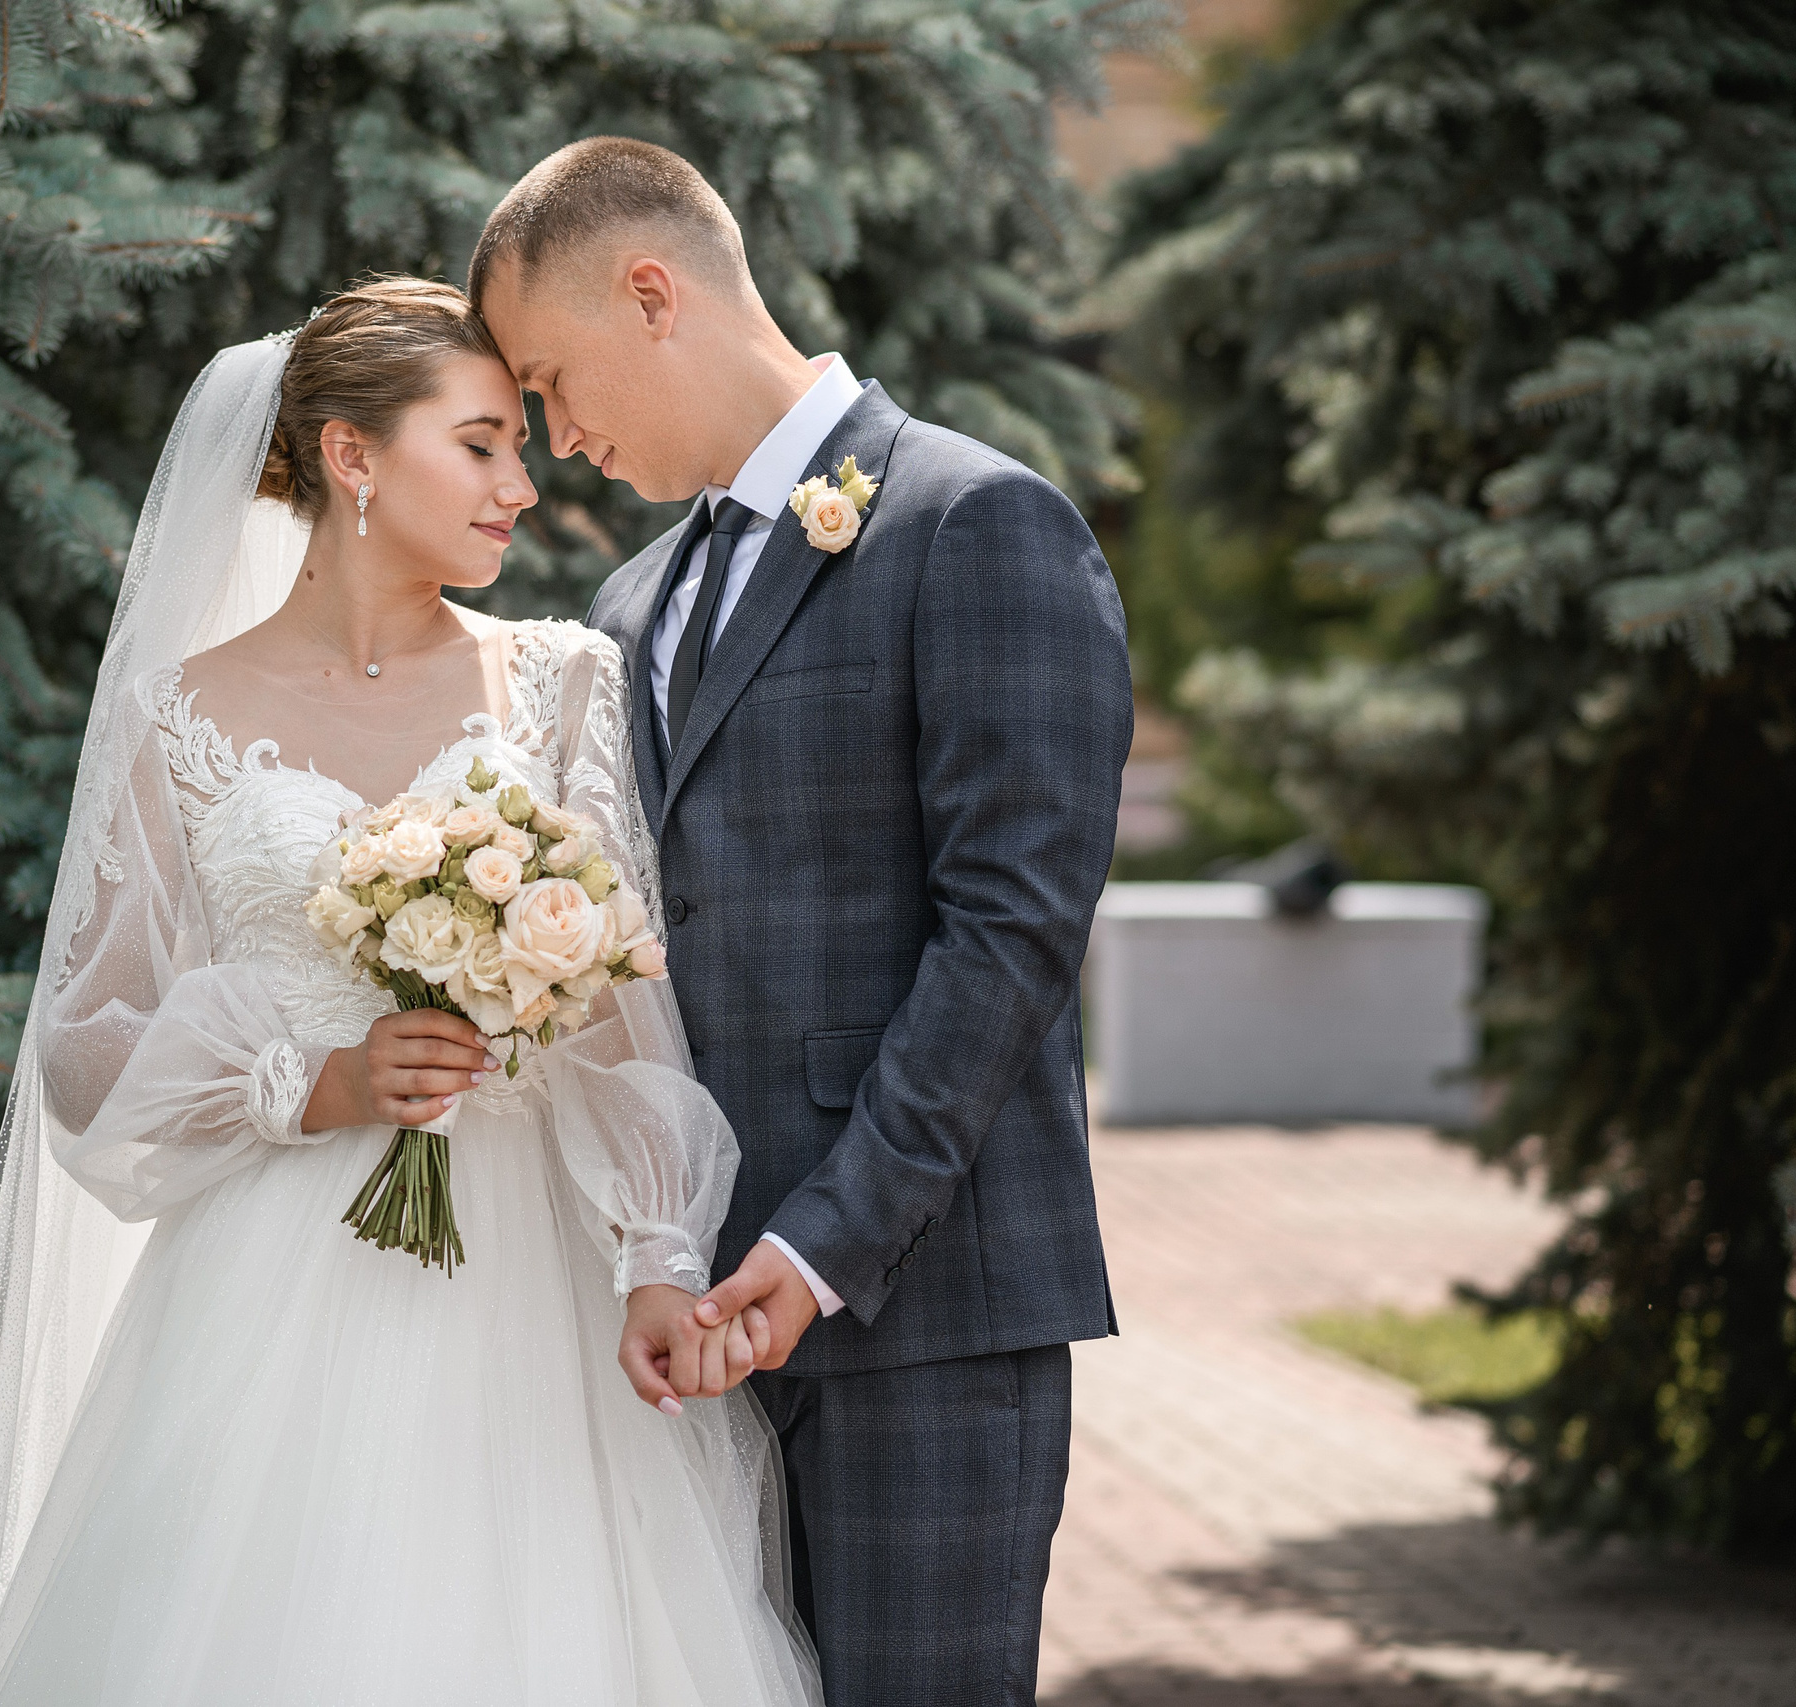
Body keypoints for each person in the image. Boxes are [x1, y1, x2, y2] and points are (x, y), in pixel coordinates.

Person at [0, 278, 822, 1707]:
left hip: (535, 1309)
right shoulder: (182, 715)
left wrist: (656, 1257)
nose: (524, 483)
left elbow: (627, 1017)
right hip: (268, 1290)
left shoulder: (563, 685)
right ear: (352, 457)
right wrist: (309, 1083)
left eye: (522, 443)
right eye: (479, 444)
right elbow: (85, 1051)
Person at [473, 138, 1133, 1707]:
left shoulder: (978, 524)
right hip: (691, 1336)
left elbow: (1013, 935)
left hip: (921, 1306)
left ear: (654, 293)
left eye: (558, 385)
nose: (560, 439)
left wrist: (821, 1244)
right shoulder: (632, 607)